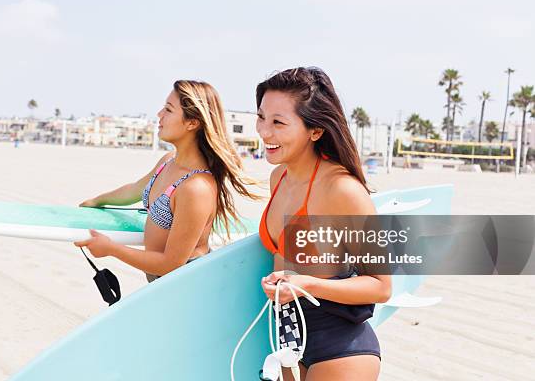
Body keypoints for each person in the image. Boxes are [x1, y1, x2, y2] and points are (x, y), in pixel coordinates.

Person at [256, 67, 391, 380]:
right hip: (287, 338)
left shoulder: (342, 190)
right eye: (261, 117)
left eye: (278, 122)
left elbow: (381, 286)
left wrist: (307, 284)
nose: (264, 131)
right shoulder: (279, 178)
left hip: (341, 346)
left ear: (315, 131)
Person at [75, 80, 259, 282]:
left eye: (168, 110)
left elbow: (171, 263)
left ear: (192, 123)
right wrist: (97, 201)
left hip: (188, 287)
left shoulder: (196, 188)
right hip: (163, 285)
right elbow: (134, 190)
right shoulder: (168, 161)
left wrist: (111, 249)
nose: (159, 115)